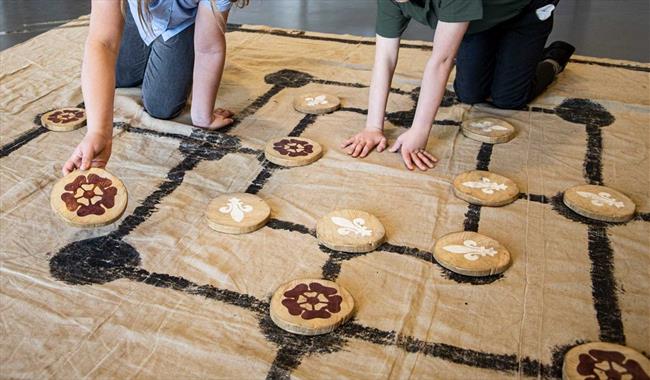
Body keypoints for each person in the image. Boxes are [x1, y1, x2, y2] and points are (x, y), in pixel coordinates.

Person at [342, 0, 575, 171]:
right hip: (478, 20)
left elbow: (442, 61)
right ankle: (504, 53)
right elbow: (385, 58)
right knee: (469, 93)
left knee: (508, 98)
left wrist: (420, 132)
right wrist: (373, 127)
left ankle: (553, 59)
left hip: (525, 13)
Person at [63, 0, 247, 175]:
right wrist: (99, 132)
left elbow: (208, 49)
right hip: (139, 12)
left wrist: (202, 117)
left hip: (181, 23)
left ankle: (176, 43)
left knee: (161, 105)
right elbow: (103, 43)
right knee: (120, 77)